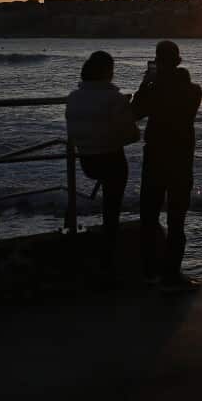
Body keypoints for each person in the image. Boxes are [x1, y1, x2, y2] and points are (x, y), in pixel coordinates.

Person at [131, 40, 202, 293]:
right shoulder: (194, 90)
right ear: (179, 61)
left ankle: (150, 272)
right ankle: (171, 274)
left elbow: (134, 112)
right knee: (176, 219)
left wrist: (147, 82)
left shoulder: (154, 90)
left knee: (149, 216)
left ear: (158, 62)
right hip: (181, 159)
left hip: (156, 157)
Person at [65, 51, 140, 276]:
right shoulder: (114, 99)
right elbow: (132, 136)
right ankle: (109, 254)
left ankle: (102, 249)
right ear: (108, 72)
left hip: (86, 159)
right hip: (111, 160)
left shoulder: (73, 96)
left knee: (107, 200)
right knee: (111, 207)